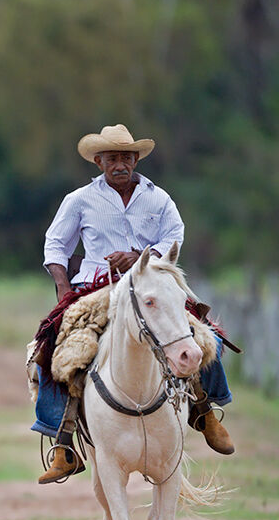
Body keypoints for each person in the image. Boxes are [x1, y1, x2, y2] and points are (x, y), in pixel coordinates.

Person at [34, 124, 234, 484]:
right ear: (99, 162)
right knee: (52, 348)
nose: (120, 165)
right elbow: (55, 247)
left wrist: (141, 257)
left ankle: (206, 412)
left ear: (136, 158)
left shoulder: (159, 198)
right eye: (112, 158)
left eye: (126, 157)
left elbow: (175, 235)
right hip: (97, 290)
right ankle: (62, 442)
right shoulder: (79, 200)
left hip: (151, 285)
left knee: (204, 336)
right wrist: (64, 291)